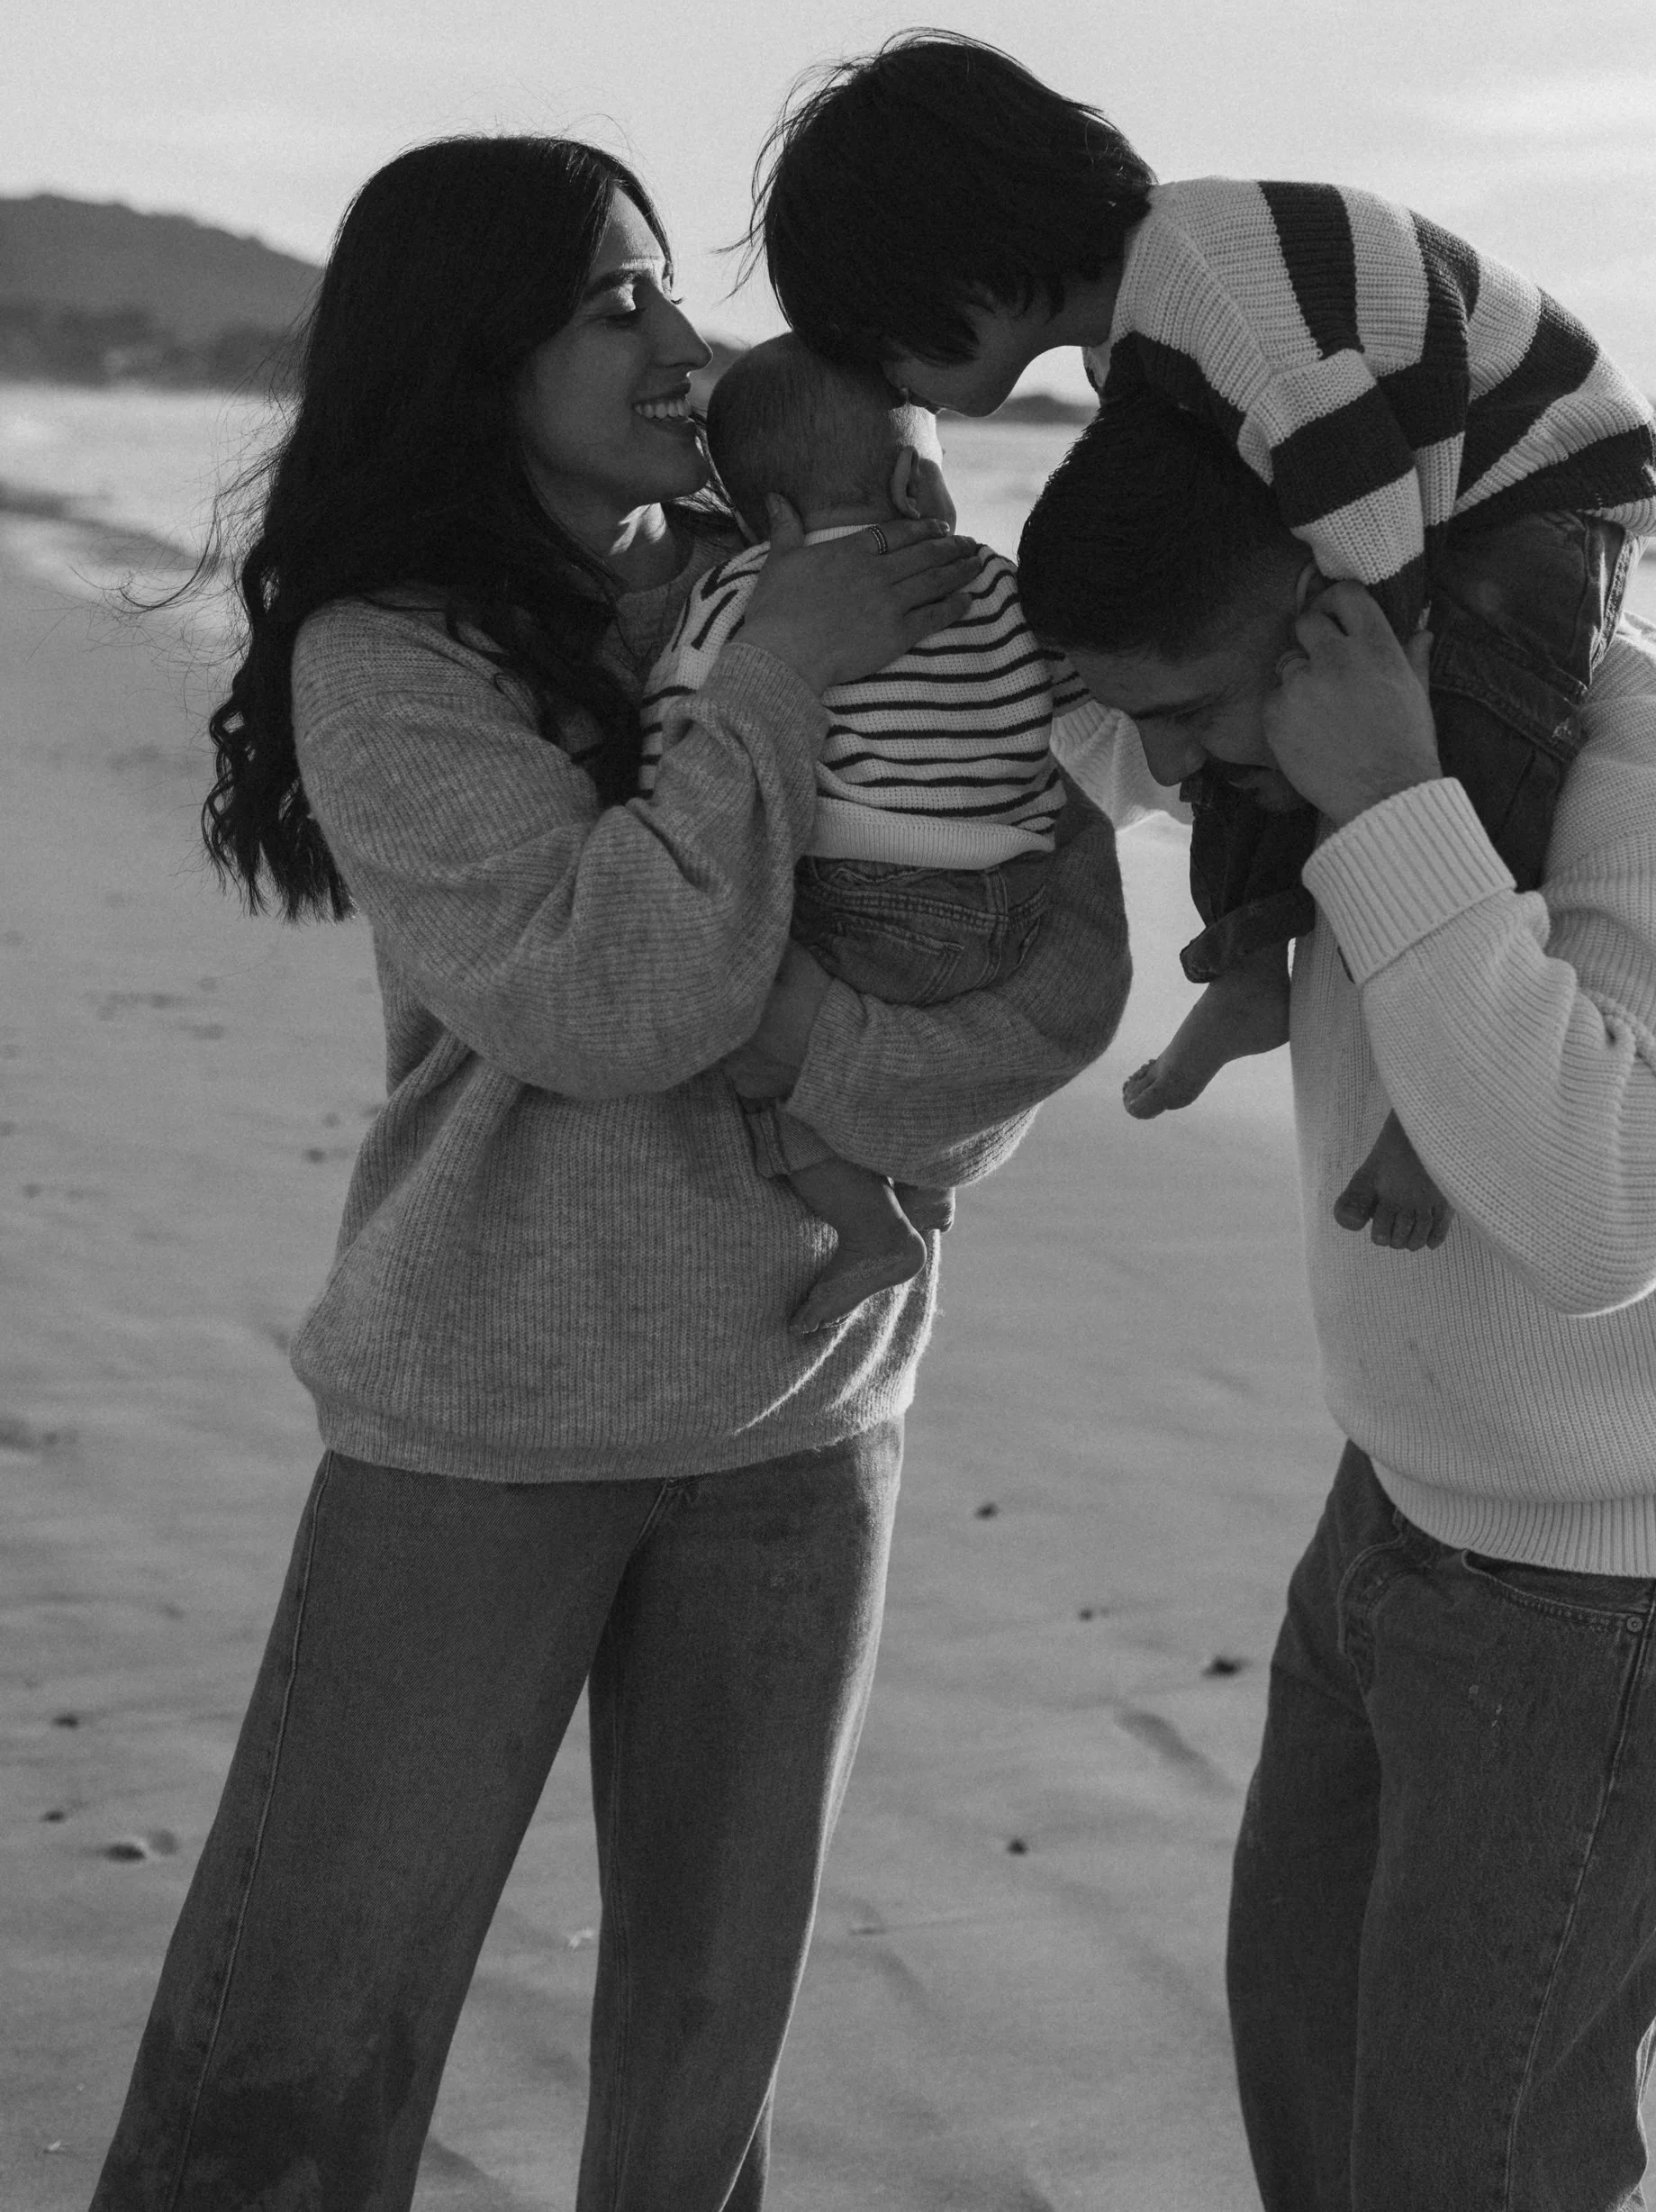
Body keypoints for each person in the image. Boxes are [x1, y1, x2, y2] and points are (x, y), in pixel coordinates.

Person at [89, 135, 1130, 2212]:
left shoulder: (821, 589)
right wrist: (771, 681)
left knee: (698, 2082)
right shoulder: (394, 663)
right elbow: (611, 998)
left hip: (809, 1404)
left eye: (666, 289)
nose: (680, 336)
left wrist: (863, 1095)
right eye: (610, 301)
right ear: (472, 357)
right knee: (289, 2061)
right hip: (492, 1408)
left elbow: (1035, 945)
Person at [1018, 389, 1656, 2212]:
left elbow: (1604, 1198)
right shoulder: (1320, 730)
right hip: (1400, 1514)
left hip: (1619, 1589)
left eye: (1198, 706)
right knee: (1317, 2104)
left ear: (1348, 607)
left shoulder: (1655, 772)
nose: (1172, 763)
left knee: (1467, 2173)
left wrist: (1392, 806)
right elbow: (1108, 730)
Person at [756, 29, 1656, 1248]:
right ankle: (1250, 963)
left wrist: (1383, 698)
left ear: (965, 271)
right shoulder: (1131, 337)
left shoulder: (1208, 277)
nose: (902, 391)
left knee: (1476, 755)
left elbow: (1348, 488)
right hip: (1413, 493)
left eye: (890, 349)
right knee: (1230, 727)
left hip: (1534, 481)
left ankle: (1433, 1105)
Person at [643, 334, 1086, 1337]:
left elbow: (682, 719)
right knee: (895, 1045)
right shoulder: (996, 578)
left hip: (865, 895)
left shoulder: (744, 589)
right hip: (1007, 907)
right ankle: (923, 1184)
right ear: (917, 481)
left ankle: (870, 1224)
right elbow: (1077, 699)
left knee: (752, 1047)